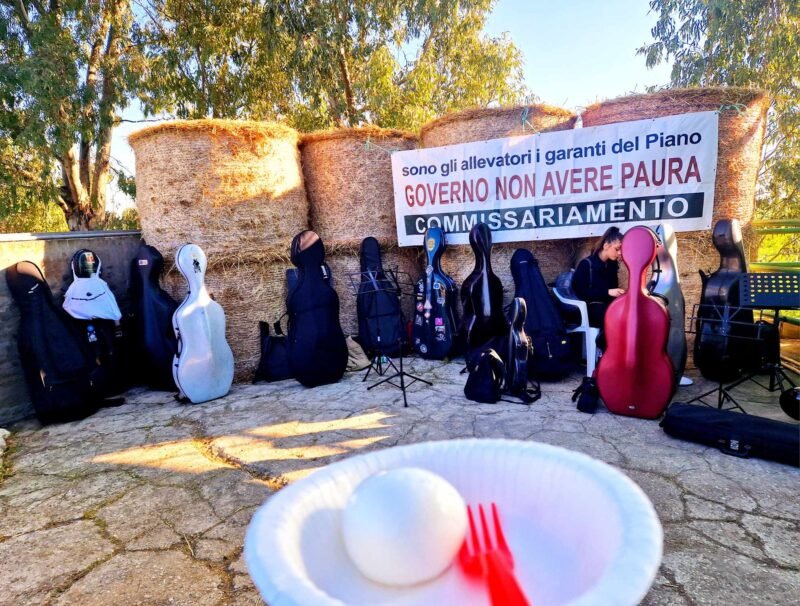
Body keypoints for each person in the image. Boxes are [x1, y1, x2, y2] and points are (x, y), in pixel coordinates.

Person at [572, 226, 625, 332]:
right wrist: (608, 292)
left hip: (606, 307)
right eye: (617, 249)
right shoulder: (586, 264)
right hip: (589, 310)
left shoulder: (611, 265)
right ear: (606, 245)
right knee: (613, 316)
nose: (619, 253)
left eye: (621, 250)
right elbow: (580, 292)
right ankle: (606, 346)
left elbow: (612, 290)